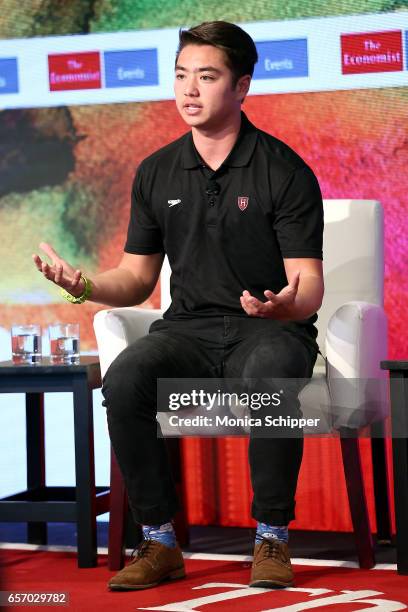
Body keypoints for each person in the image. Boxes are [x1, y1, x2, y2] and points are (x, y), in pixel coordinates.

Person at [33, 21, 324, 591]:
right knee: (126, 379)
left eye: (207, 77)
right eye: (181, 75)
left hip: (266, 330)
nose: (189, 90)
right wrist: (84, 284)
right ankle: (160, 541)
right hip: (187, 329)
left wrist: (285, 306)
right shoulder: (157, 171)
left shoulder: (283, 170)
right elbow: (138, 278)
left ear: (241, 87)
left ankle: (271, 537)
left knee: (272, 372)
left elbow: (308, 285)